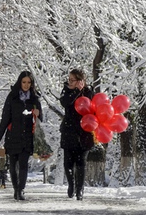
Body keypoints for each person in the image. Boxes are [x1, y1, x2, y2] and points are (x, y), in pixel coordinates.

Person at [0, 71, 42, 201]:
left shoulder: (34, 98)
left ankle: (21, 189)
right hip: (13, 135)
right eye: (24, 82)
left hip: (27, 137)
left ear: (32, 84)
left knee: (23, 164)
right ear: (20, 82)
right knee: (13, 164)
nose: (26, 85)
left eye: (29, 82)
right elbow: (5, 118)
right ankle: (16, 189)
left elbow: (40, 118)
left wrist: (38, 113)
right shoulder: (12, 97)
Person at [59, 69, 94, 200]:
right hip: (69, 131)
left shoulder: (88, 92)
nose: (70, 82)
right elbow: (65, 102)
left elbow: (94, 105)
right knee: (68, 163)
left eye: (72, 80)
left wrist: (83, 91)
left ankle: (80, 190)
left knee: (81, 163)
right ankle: (71, 185)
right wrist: (75, 91)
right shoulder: (66, 91)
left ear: (81, 81)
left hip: (84, 132)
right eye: (69, 80)